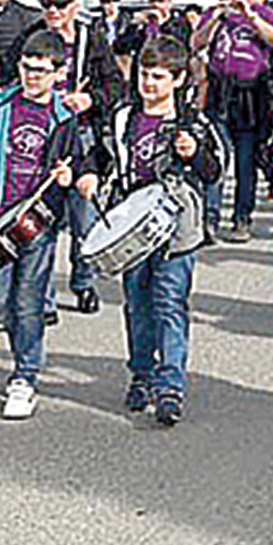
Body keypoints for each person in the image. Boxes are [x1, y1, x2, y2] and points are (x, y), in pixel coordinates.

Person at [0, 32, 104, 420]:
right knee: (3, 300)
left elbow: (79, 160)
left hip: (40, 221)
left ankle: (24, 376)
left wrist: (76, 177)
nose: (31, 76)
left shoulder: (64, 117)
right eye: (26, 67)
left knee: (28, 300)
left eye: (40, 70)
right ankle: (23, 353)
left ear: (58, 74)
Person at [106, 36, 221, 427]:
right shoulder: (124, 117)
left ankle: (170, 385)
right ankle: (141, 373)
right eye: (144, 74)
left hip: (178, 230)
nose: (149, 83)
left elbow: (214, 172)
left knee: (169, 304)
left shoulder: (193, 122)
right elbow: (104, 157)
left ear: (178, 79)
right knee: (137, 306)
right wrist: (88, 175)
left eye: (158, 77)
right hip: (132, 229)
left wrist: (194, 154)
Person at [27, 0, 124, 315]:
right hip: (42, 139)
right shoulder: (31, 38)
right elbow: (12, 79)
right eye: (47, 6)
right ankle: (44, 300)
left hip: (82, 139)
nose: (53, 12)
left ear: (75, 6)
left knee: (84, 220)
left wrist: (89, 99)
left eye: (60, 5)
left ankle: (83, 283)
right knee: (43, 220)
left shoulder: (90, 40)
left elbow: (116, 85)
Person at [192, 0, 273, 244]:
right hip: (220, 91)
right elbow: (195, 43)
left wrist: (251, 16)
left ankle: (242, 217)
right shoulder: (215, 13)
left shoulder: (265, 13)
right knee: (216, 156)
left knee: (245, 161)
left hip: (251, 93)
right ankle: (210, 217)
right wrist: (215, 20)